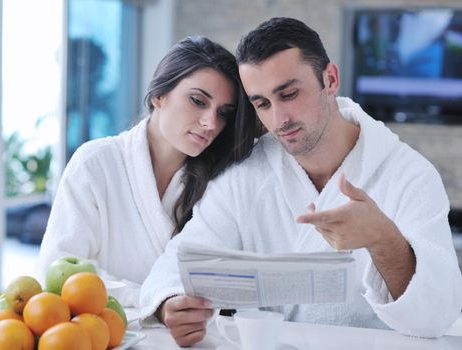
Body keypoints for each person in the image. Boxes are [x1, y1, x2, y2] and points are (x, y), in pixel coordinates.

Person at [139, 17, 462, 346]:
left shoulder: (409, 176)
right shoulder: (246, 172)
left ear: (331, 79)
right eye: (262, 104)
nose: (278, 120)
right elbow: (179, 262)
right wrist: (172, 303)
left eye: (289, 94)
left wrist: (384, 240)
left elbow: (436, 317)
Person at [35, 36, 256, 307]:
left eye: (224, 112)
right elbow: (58, 272)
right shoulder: (96, 163)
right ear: (158, 95)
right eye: (198, 100)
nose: (211, 122)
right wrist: (156, 300)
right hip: (110, 334)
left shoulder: (218, 179)